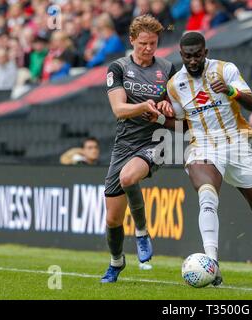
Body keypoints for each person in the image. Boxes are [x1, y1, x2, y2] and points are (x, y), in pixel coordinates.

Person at [163, 31, 252, 284]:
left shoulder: (225, 70)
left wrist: (231, 91)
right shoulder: (174, 85)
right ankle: (212, 264)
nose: (192, 61)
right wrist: (162, 118)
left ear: (205, 52)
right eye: (187, 57)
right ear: (181, 55)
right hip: (203, 146)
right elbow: (182, 125)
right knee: (207, 195)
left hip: (237, 144)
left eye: (197, 55)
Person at [100, 15, 176, 283]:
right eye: (143, 43)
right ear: (132, 40)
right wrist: (144, 106)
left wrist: (168, 108)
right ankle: (116, 261)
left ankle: (142, 232)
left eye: (153, 43)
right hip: (125, 144)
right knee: (112, 219)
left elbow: (178, 115)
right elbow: (119, 110)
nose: (148, 48)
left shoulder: (168, 69)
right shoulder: (117, 68)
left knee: (129, 177)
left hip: (158, 140)